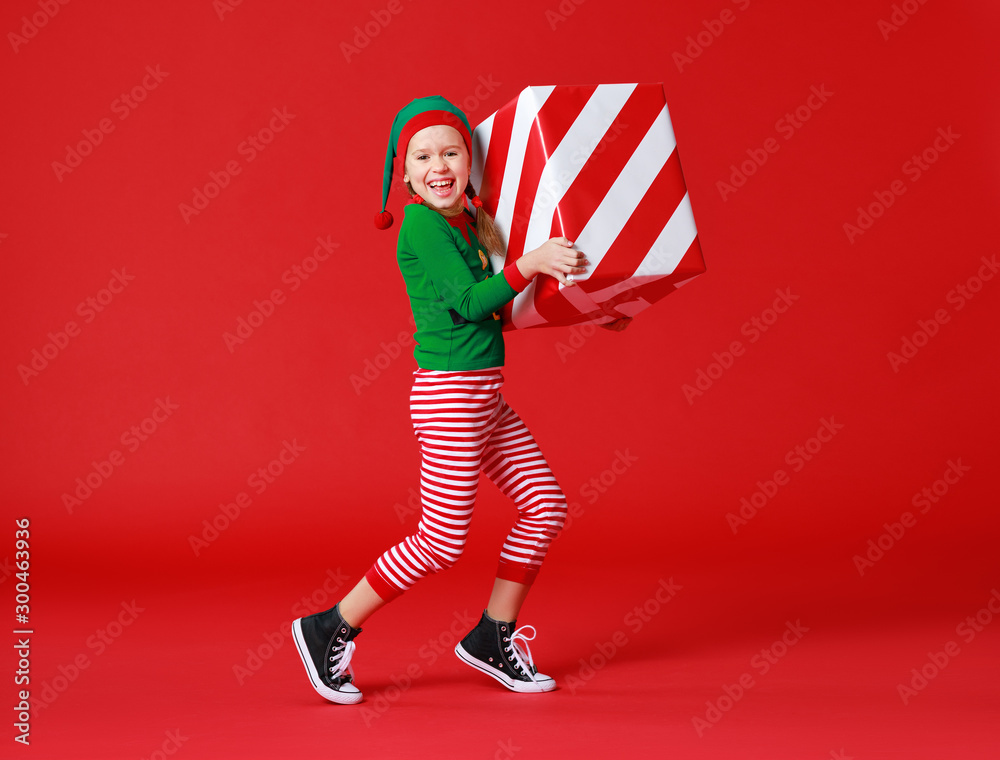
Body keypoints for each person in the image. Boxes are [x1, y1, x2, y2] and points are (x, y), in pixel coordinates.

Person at [293, 95, 630, 705]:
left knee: (545, 507)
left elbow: (499, 313)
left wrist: (591, 311)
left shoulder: (468, 223)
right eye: (423, 156)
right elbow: (469, 305)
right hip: (451, 397)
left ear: (470, 163)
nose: (439, 165)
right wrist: (531, 261)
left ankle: (492, 635)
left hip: (483, 395)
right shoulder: (422, 224)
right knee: (441, 539)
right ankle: (329, 628)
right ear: (406, 174)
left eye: (451, 151)